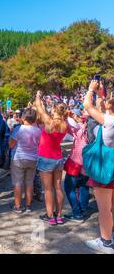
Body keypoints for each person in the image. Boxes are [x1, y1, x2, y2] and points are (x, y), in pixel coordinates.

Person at [83, 80, 114, 254]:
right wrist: (102, 95)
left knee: (104, 209)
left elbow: (87, 105)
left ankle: (106, 242)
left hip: (104, 168)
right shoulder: (109, 118)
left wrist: (90, 89)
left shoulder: (108, 121)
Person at [35, 91, 68, 226]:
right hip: (58, 158)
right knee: (58, 187)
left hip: (46, 158)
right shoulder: (64, 124)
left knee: (48, 188)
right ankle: (59, 215)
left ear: (54, 109)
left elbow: (38, 106)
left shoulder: (48, 121)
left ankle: (50, 216)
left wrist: (38, 96)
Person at [8, 108, 41, 213]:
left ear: (22, 118)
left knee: (17, 183)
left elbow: (11, 144)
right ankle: (28, 205)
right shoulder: (38, 130)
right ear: (35, 119)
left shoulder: (19, 129)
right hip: (33, 158)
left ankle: (17, 206)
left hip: (18, 158)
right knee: (29, 182)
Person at [63, 111, 89, 222]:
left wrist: (67, 116)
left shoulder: (80, 131)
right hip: (88, 165)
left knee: (69, 187)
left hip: (76, 163)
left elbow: (68, 126)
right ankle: (82, 208)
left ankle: (77, 214)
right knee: (84, 186)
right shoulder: (96, 131)